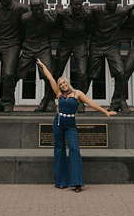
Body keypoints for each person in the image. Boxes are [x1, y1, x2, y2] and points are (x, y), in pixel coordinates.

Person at [37, 58, 116, 192]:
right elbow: (50, 78)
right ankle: (61, 182)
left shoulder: (77, 93)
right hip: (58, 123)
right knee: (59, 150)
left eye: (64, 83)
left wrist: (104, 111)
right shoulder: (59, 94)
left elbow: (91, 103)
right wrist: (43, 66)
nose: (62, 85)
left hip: (70, 125)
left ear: (68, 83)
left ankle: (76, 182)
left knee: (74, 150)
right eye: (60, 84)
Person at [87, 0, 134, 114]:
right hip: (97, 46)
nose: (113, 2)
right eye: (110, 0)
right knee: (89, 75)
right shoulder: (97, 10)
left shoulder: (121, 11)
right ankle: (78, 102)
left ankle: (119, 102)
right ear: (105, 0)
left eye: (115, 0)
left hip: (112, 46)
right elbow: (81, 12)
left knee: (121, 74)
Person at [53, 0, 92, 113]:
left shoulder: (86, 15)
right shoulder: (63, 14)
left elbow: (89, 29)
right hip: (65, 43)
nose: (78, 6)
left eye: (80, 4)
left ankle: (79, 101)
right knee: (57, 72)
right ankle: (49, 99)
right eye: (76, 4)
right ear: (70, 5)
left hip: (80, 44)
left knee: (82, 73)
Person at [17, 0, 56, 112]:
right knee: (15, 74)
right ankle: (6, 100)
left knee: (48, 76)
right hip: (28, 48)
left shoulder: (49, 18)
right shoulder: (25, 19)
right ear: (31, 10)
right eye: (35, 10)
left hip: (43, 48)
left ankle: (51, 101)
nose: (38, 12)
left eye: (40, 9)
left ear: (43, 7)